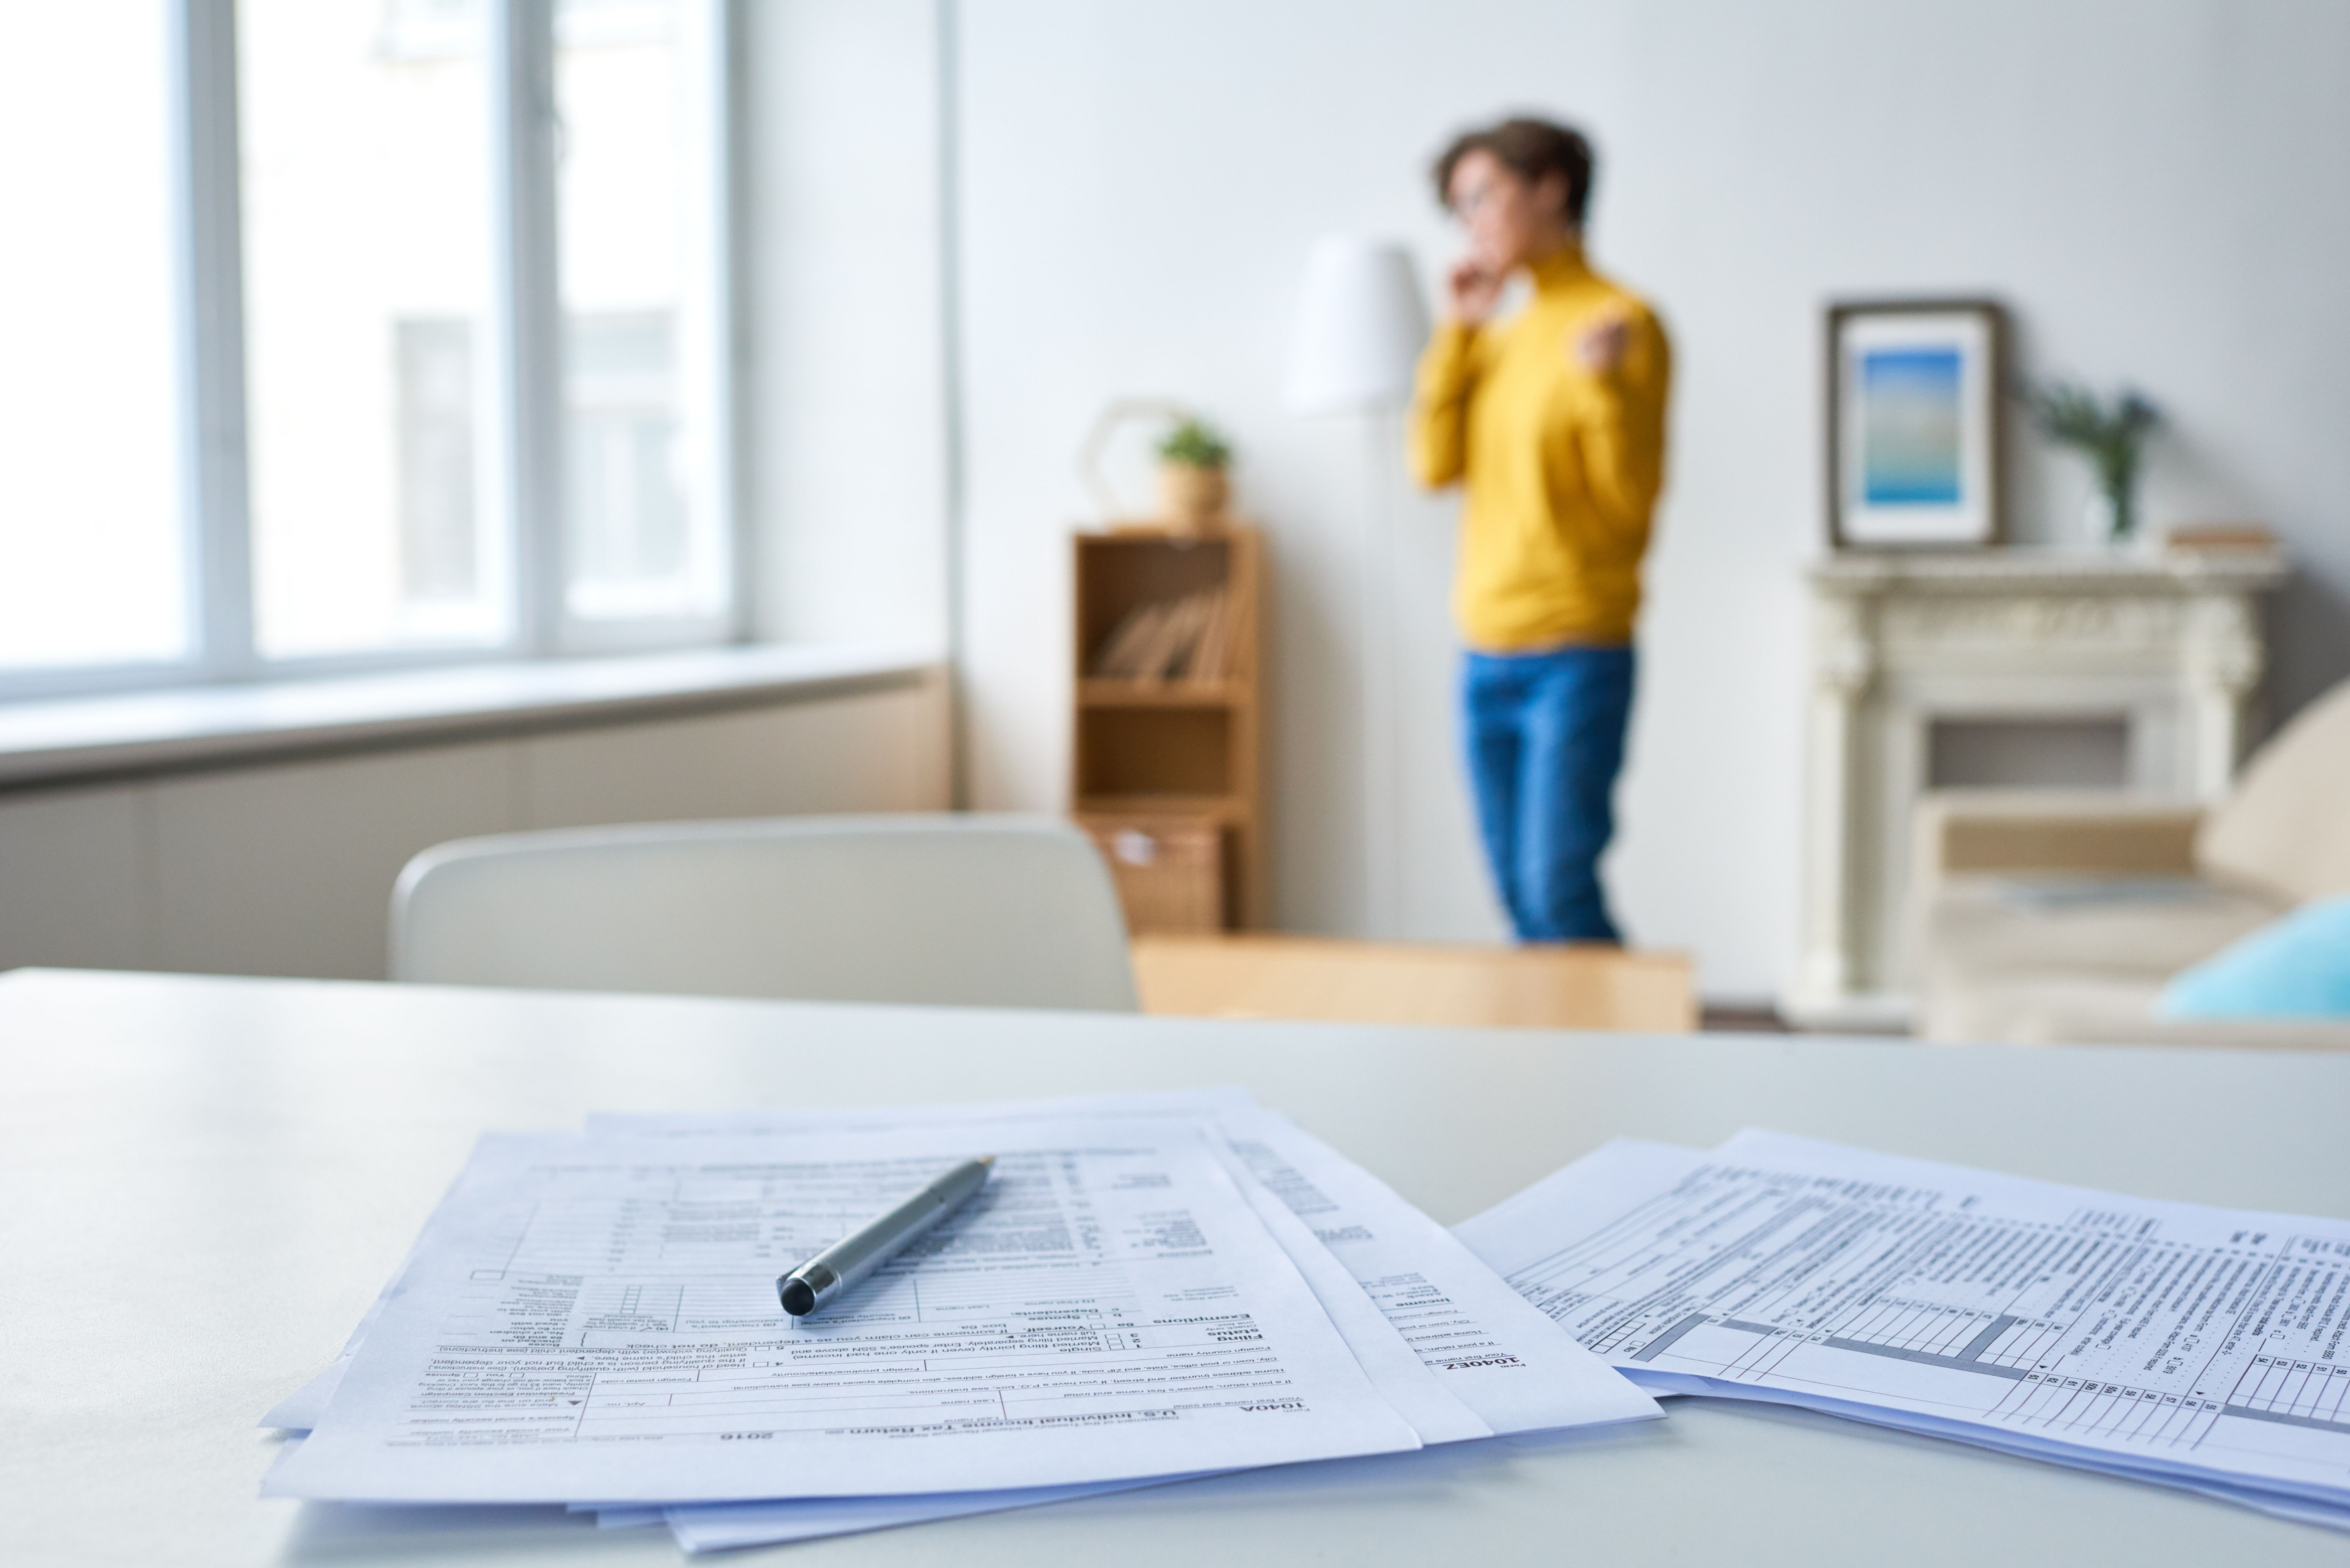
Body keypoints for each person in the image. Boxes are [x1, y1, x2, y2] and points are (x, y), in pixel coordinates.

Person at [1409, 116, 1670, 945]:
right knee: (1520, 900)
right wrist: (1457, 333)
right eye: (1459, 209)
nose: (1472, 223)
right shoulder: (1500, 333)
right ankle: (1562, 1074)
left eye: (1483, 196)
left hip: (1577, 653)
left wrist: (1602, 389)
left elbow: (1633, 503)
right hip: (1484, 649)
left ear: (1551, 187)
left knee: (1558, 893)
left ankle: (1625, 1066)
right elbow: (1431, 466)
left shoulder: (1620, 321)